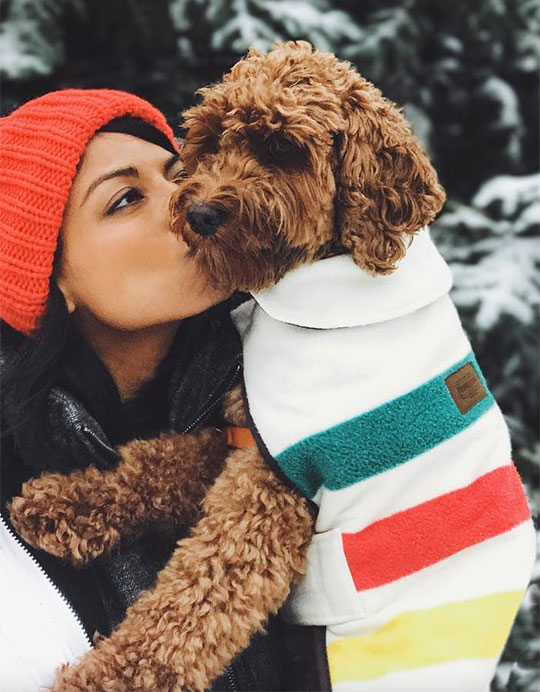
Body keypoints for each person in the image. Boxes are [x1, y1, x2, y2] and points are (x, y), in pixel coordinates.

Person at [0, 89, 316, 691]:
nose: (190, 200)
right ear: (48, 277)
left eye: (181, 175)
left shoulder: (293, 380)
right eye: (125, 199)